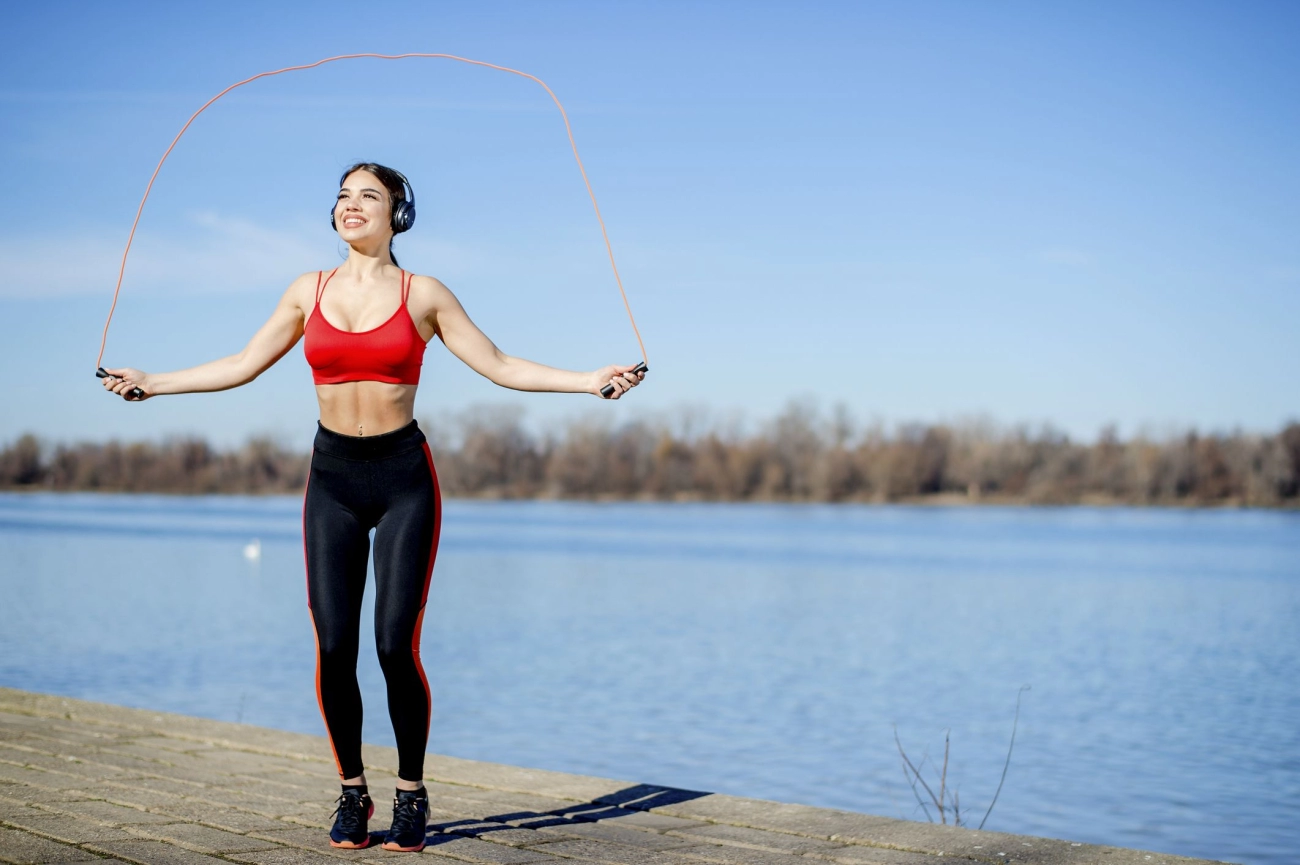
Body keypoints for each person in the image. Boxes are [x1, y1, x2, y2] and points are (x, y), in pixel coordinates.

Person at [100, 162, 645, 852]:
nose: (351, 206)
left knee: (393, 643)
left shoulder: (424, 294)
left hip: (402, 478)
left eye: (370, 197)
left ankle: (411, 794)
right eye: (343, 196)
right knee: (333, 644)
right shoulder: (308, 290)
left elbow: (501, 363)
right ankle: (352, 791)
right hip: (331, 479)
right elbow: (242, 362)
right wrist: (155, 382)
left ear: (398, 216)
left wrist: (587, 380)